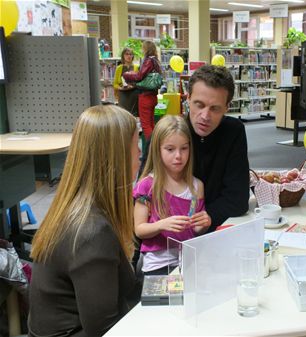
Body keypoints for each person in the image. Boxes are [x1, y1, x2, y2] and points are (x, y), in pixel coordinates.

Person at [28, 105, 141, 336]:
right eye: (135, 146)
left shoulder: (76, 208)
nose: (140, 154)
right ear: (117, 157)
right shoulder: (92, 233)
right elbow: (104, 331)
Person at [133, 115, 211, 275]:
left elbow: (195, 229)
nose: (178, 156)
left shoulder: (197, 186)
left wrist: (203, 224)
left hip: (190, 261)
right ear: (157, 149)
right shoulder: (146, 185)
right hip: (158, 264)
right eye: (170, 149)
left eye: (184, 148)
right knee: (164, 300)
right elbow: (139, 229)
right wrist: (162, 224)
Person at [186, 65, 250, 232]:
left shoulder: (233, 131)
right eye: (199, 105)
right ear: (188, 98)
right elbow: (145, 194)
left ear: (227, 107)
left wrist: (208, 216)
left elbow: (238, 200)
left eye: (215, 108)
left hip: (216, 231)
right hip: (170, 234)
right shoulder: (169, 132)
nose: (205, 116)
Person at [123, 40, 161, 141]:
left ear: (146, 49)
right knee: (151, 123)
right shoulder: (156, 60)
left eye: (143, 47)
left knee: (146, 126)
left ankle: (151, 151)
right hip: (153, 96)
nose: (142, 49)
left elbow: (140, 76)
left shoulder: (148, 60)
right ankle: (154, 148)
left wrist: (127, 74)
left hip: (145, 96)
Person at [114, 47, 139, 116]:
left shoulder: (137, 67)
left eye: (130, 54)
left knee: (134, 116)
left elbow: (140, 82)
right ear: (123, 56)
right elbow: (115, 84)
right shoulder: (119, 68)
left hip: (134, 95)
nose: (129, 56)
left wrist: (134, 85)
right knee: (123, 116)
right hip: (123, 95)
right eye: (127, 54)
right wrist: (120, 88)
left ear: (133, 56)